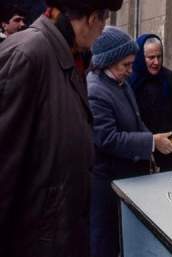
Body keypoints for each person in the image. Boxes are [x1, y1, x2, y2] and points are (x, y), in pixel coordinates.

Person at [0, 0, 122, 256]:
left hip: (61, 231)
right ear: (92, 19)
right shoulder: (28, 53)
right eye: (105, 19)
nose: (103, 30)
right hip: (35, 239)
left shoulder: (70, 55)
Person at [87, 26, 172, 257]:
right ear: (108, 61)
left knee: (125, 235)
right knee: (105, 239)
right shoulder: (95, 90)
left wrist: (152, 147)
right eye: (125, 65)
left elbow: (136, 121)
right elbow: (107, 138)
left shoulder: (121, 82)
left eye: (131, 63)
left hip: (128, 175)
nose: (130, 70)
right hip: (107, 181)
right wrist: (151, 142)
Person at [128, 33, 172, 171]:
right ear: (140, 58)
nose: (156, 62)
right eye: (151, 57)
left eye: (159, 56)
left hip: (170, 149)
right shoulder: (130, 81)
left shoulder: (168, 77)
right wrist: (149, 142)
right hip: (142, 152)